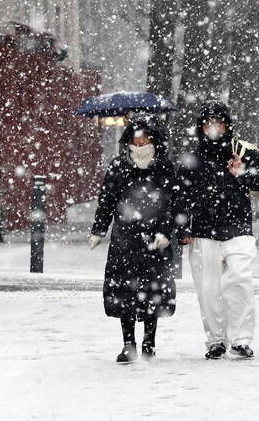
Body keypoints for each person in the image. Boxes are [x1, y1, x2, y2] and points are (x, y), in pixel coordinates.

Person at [177, 100, 259, 360]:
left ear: (227, 125)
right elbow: (182, 194)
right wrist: (183, 226)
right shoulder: (193, 157)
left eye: (218, 122)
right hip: (204, 232)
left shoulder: (242, 151)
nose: (213, 128)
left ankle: (241, 339)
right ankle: (216, 340)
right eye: (208, 123)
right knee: (208, 290)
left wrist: (242, 173)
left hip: (238, 228)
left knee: (240, 281)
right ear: (201, 126)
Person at [88, 113, 177, 363]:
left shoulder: (164, 168)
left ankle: (149, 342)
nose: (140, 147)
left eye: (145, 142)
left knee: (153, 290)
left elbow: (173, 204)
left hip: (154, 240)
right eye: (136, 143)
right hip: (124, 239)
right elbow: (105, 202)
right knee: (124, 292)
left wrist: (166, 232)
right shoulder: (118, 167)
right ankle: (129, 344)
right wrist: (99, 230)